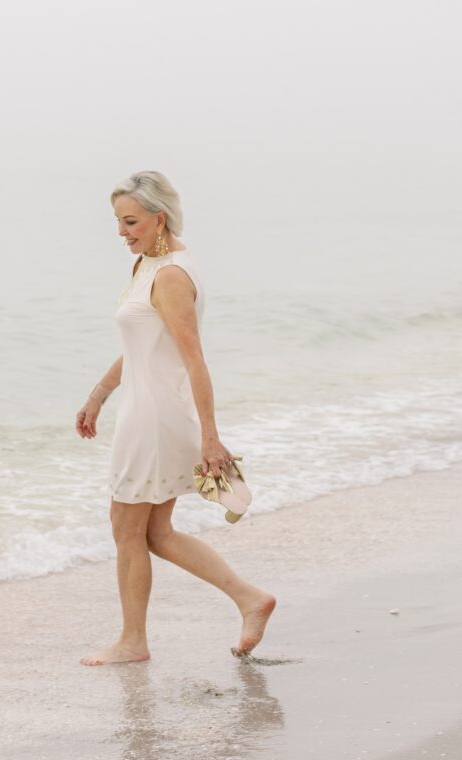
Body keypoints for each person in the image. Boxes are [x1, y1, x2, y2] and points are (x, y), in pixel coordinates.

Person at [75, 170, 276, 666]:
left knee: (126, 526)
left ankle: (133, 641)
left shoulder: (168, 275)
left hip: (154, 419)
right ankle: (250, 599)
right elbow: (145, 345)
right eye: (119, 223)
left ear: (158, 217)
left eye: (131, 222)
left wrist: (211, 438)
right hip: (147, 410)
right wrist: (100, 394)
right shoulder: (152, 262)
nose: (122, 232)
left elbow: (194, 360)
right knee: (155, 532)